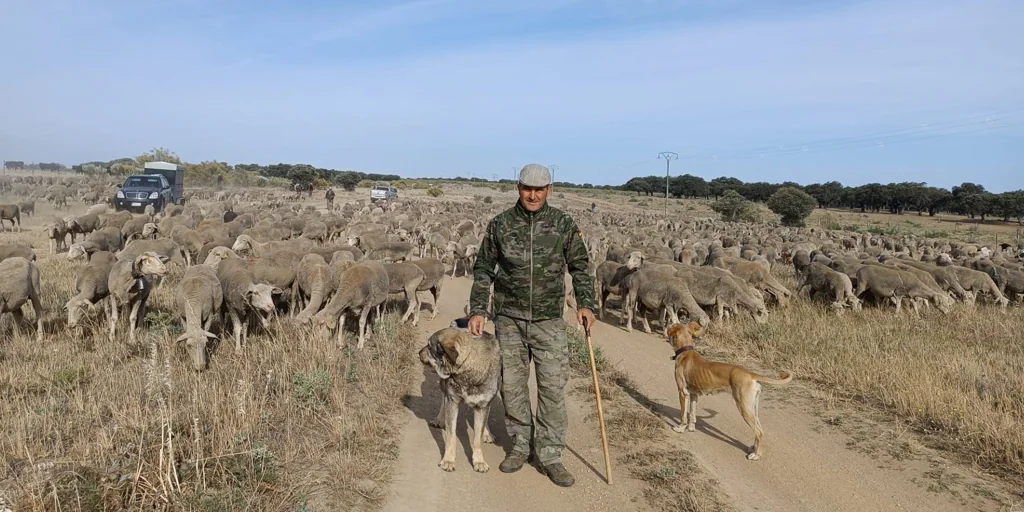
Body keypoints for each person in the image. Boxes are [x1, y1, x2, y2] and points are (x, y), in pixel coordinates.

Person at [468, 163, 596, 488]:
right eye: (528, 188)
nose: (533, 194)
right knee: (512, 386)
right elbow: (484, 266)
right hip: (509, 319)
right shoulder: (500, 225)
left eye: (540, 189)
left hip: (549, 321)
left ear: (549, 190)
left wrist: (585, 304)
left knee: (552, 388)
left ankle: (550, 455)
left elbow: (580, 265)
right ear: (518, 187)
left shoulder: (563, 224)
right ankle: (521, 445)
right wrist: (479, 308)